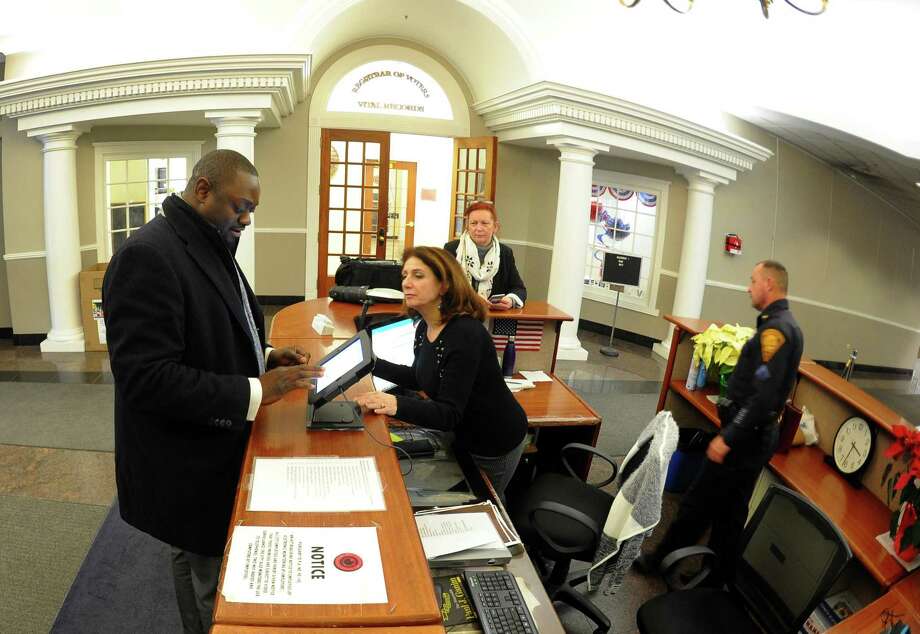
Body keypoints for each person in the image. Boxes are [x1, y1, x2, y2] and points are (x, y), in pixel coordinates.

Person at [102, 149, 322, 634]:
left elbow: (212, 328)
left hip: (210, 447)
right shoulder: (148, 255)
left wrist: (265, 355)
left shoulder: (204, 239)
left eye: (252, 212)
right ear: (203, 190)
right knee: (206, 578)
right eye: (239, 207)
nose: (246, 219)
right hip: (186, 457)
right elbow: (147, 378)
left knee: (206, 557)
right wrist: (256, 390)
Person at [636, 260, 803, 584]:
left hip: (745, 438)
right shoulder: (783, 323)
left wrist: (729, 436)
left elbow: (764, 395)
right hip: (755, 435)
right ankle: (715, 580)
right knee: (730, 513)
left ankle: (661, 561)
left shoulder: (776, 330)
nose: (748, 287)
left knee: (699, 503)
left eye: (753, 280)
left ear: (769, 283)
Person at [354, 246, 528, 497]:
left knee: (486, 507)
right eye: (404, 275)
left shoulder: (465, 334)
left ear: (444, 284)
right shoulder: (424, 326)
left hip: (494, 440)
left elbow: (448, 413)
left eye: (418, 275)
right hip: (463, 434)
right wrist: (372, 363)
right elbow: (419, 377)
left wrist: (393, 402)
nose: (407, 283)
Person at [444, 200, 527, 311]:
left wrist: (510, 300)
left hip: (493, 317)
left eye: (484, 223)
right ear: (467, 226)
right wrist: (471, 298)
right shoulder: (452, 249)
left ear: (495, 227)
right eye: (473, 223)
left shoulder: (505, 253)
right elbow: (442, 286)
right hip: (459, 314)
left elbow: (518, 288)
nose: (478, 228)